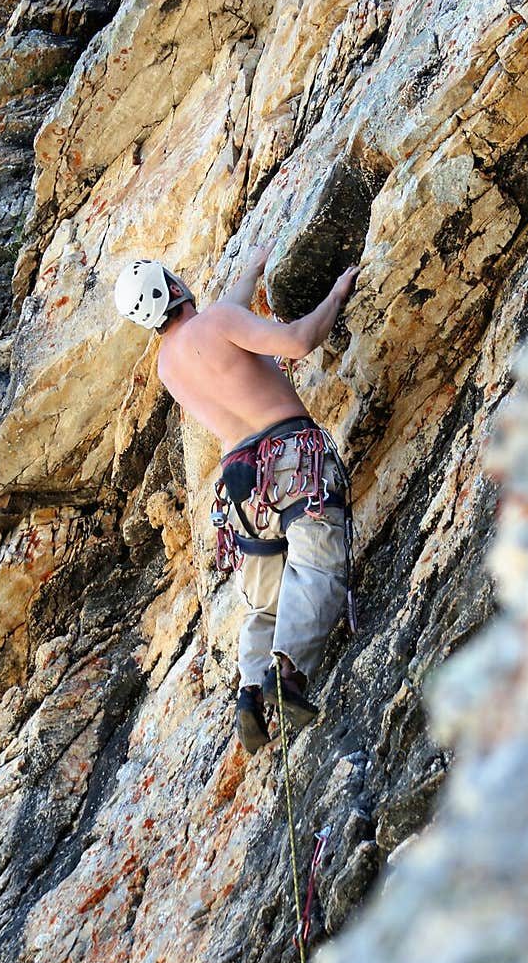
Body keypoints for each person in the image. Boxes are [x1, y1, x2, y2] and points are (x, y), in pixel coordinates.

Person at [114, 246, 360, 753]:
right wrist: (337, 293)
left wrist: (250, 272)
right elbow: (298, 342)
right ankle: (287, 674)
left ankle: (249, 692)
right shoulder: (219, 320)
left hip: (241, 489)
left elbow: (221, 329)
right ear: (173, 286)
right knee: (317, 566)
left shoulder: (168, 365)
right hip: (290, 457)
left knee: (263, 597)